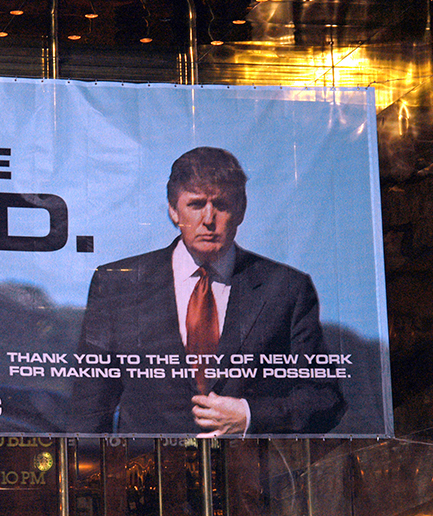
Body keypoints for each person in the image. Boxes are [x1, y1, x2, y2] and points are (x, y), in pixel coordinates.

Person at [71, 146, 345, 436]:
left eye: (222, 205)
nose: (209, 219)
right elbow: (89, 405)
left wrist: (250, 417)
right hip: (146, 472)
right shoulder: (118, 284)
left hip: (249, 471)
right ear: (173, 210)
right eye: (196, 204)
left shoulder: (287, 288)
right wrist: (90, 476)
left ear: (241, 210)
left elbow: (324, 399)